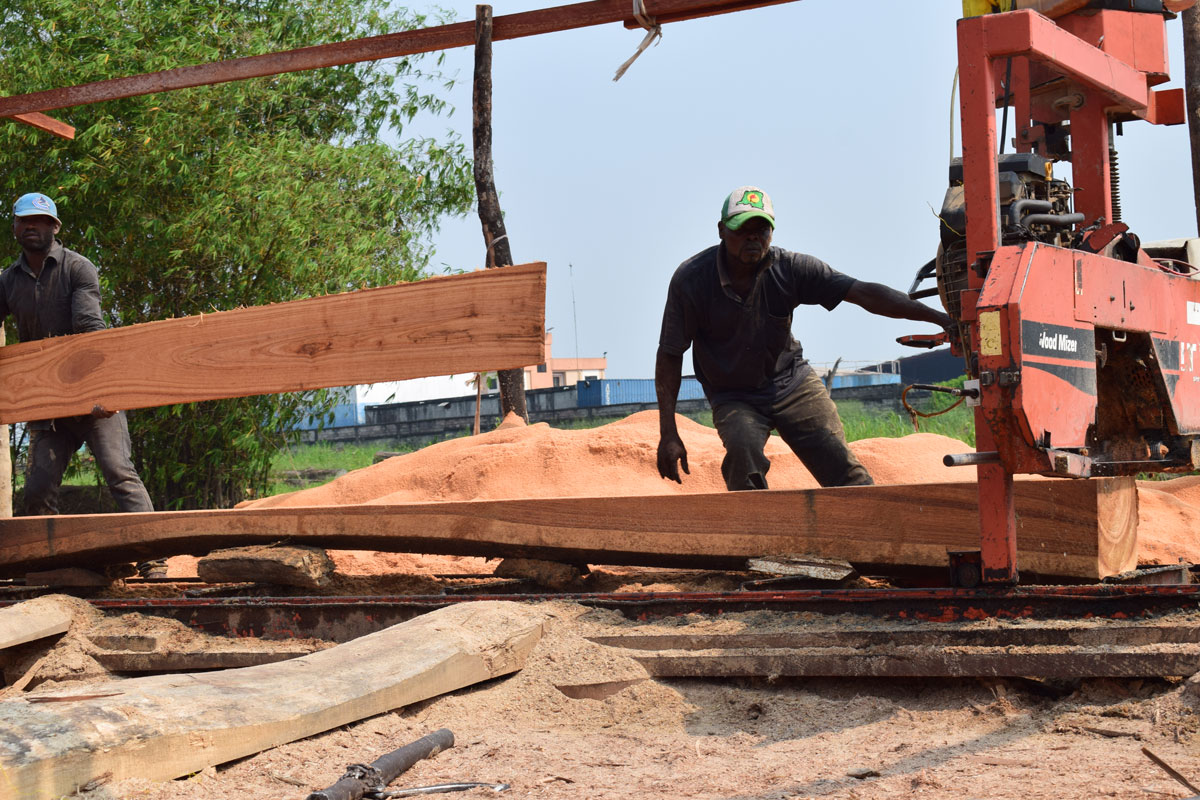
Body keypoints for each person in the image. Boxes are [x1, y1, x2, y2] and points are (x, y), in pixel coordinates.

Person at [656, 186, 954, 491]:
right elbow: (669, 355)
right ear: (721, 230)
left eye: (761, 229)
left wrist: (942, 318)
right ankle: (758, 535)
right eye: (741, 229)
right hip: (734, 395)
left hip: (791, 383)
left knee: (841, 466)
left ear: (771, 232)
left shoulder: (791, 268)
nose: (752, 237)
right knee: (743, 456)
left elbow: (863, 293)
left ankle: (865, 528)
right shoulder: (691, 280)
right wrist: (669, 432)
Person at [0, 193, 160, 571]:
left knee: (118, 472)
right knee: (38, 487)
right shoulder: (7, 280)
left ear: (55, 227)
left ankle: (155, 559)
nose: (32, 227)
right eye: (24, 221)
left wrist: (102, 389)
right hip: (47, 399)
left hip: (93, 395)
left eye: (40, 221)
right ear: (15, 228)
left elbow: (91, 330)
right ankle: (43, 565)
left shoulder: (78, 268)